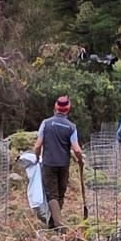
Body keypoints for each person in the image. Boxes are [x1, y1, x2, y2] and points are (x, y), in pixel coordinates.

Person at [32, 94, 81, 230]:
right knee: (60, 193)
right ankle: (56, 224)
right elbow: (76, 148)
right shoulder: (71, 127)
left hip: (48, 163)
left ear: (56, 107)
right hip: (63, 164)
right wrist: (80, 159)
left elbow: (37, 145)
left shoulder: (46, 123)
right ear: (68, 109)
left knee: (52, 194)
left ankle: (57, 224)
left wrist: (36, 157)